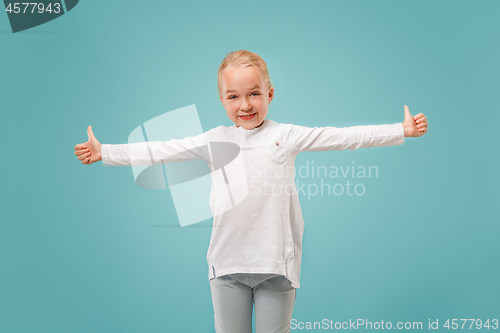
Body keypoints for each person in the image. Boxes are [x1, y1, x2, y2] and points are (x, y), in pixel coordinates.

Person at [74, 50, 429, 333]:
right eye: (234, 96)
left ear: (269, 94)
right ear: (222, 100)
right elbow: (160, 150)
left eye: (254, 94)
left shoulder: (285, 135)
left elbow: (342, 137)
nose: (245, 105)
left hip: (276, 266)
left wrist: (401, 130)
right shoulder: (214, 140)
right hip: (227, 265)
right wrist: (106, 151)